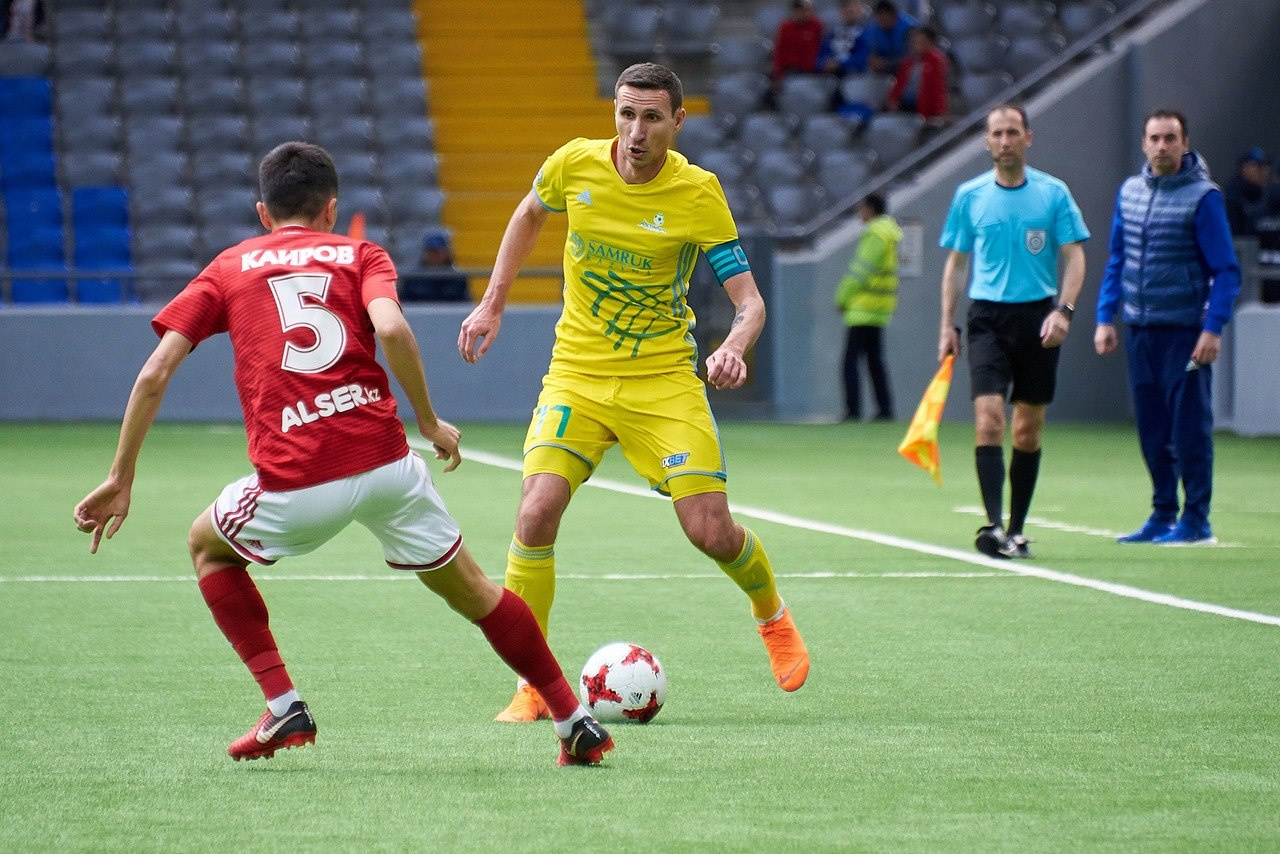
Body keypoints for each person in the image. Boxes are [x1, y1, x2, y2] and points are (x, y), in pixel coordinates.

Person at [72, 142, 614, 767]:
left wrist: (121, 476)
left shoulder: (228, 268)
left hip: (297, 479)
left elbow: (154, 374)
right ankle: (572, 719)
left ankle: (283, 706)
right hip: (388, 465)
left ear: (263, 212)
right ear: (331, 209)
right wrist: (429, 422)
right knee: (476, 590)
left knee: (206, 546)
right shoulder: (361, 255)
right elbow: (392, 328)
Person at [458, 62, 810, 722]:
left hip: (663, 381)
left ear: (678, 121)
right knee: (534, 513)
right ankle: (534, 686)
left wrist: (733, 346)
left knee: (709, 531)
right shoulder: (574, 165)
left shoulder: (698, 193)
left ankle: (772, 615)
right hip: (578, 375)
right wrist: (493, 302)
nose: (636, 131)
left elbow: (750, 302)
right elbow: (529, 213)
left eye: (651, 117)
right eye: (626, 114)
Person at [938, 104, 1089, 559]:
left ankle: (1017, 529)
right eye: (997, 134)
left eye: (1012, 132)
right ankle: (993, 525)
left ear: (1028, 138)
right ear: (987, 141)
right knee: (988, 421)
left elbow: (1075, 257)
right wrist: (947, 324)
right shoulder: (970, 195)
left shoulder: (1053, 193)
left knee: (1027, 430)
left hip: (1038, 317)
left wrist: (1064, 311)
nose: (1004, 141)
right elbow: (956, 264)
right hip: (987, 319)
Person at [1094, 110, 1241, 545]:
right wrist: (1105, 316)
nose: (1162, 146)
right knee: (1152, 427)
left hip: (1185, 333)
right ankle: (1162, 513)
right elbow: (1117, 258)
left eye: (1170, 138)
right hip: (1140, 331)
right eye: (1155, 138)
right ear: (1144, 144)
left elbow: (1227, 271)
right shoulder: (1130, 192)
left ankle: (1196, 520)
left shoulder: (1203, 197)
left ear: (1185, 143)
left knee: (1189, 426)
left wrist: (1212, 328)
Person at [835, 193, 902, 421]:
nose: (860, 213)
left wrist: (842, 298)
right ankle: (885, 409)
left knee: (850, 361)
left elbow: (860, 272)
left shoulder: (876, 234)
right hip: (879, 308)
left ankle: (853, 410)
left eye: (862, 208)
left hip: (862, 308)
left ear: (871, 209)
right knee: (874, 360)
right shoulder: (889, 233)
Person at [885, 26, 948, 121]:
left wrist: (939, 113)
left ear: (929, 42)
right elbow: (899, 83)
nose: (916, 45)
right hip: (903, 105)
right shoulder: (909, 61)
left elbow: (938, 89)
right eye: (915, 42)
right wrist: (892, 99)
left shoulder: (936, 61)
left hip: (921, 109)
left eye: (920, 42)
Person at [399, 227, 470, 302]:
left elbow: (464, 303)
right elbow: (404, 302)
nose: (434, 256)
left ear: (446, 253)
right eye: (430, 252)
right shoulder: (413, 278)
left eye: (437, 252)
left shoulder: (457, 279)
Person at [771, 0, 824, 91]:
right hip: (790, 70)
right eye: (803, 10)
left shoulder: (817, 25)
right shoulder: (786, 27)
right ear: (795, 11)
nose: (806, 13)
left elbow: (820, 48)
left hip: (811, 72)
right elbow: (780, 52)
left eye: (809, 10)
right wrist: (779, 74)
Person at [1222, 147, 1271, 237]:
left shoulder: (1267, 193)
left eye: (1266, 166)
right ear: (1245, 168)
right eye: (1259, 167)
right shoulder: (1233, 196)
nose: (1264, 171)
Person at [817, 0, 870, 80]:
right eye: (846, 7)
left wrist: (840, 63)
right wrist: (824, 64)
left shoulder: (866, 33)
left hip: (856, 76)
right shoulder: (832, 34)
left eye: (853, 8)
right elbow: (822, 56)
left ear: (860, 10)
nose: (849, 10)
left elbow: (864, 58)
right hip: (831, 76)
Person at [866, 0, 917, 76]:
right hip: (885, 71)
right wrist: (873, 60)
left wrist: (886, 64)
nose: (881, 22)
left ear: (894, 15)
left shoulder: (910, 28)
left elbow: (913, 58)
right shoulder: (874, 28)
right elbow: (872, 51)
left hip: (909, 71)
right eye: (878, 18)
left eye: (884, 18)